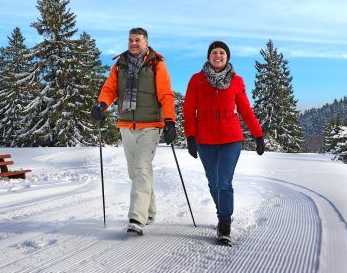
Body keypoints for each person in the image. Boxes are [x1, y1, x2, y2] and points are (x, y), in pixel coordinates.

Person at [91, 27, 176, 236]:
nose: (133, 43)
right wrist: (101, 105)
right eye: (131, 40)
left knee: (140, 168)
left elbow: (166, 94)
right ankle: (149, 210)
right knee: (136, 172)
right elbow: (110, 89)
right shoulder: (120, 65)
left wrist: (170, 121)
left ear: (146, 43)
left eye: (137, 40)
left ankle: (136, 219)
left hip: (150, 125)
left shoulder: (156, 64)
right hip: (127, 125)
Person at [183, 40, 265, 246]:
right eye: (214, 52)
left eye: (222, 53)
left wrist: (258, 135)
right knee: (213, 182)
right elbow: (188, 110)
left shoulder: (236, 81)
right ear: (208, 56)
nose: (218, 56)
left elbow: (245, 109)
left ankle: (225, 224)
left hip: (231, 138)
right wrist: (190, 136)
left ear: (227, 57)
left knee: (224, 182)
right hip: (205, 139)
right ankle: (223, 213)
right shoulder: (197, 80)